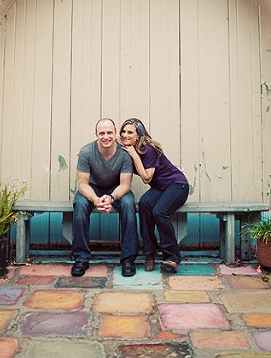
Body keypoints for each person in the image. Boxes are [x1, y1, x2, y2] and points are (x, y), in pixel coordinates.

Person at [119, 118, 189, 273]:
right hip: (160, 188)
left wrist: (135, 156)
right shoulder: (128, 148)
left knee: (159, 211)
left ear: (139, 135)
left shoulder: (147, 149)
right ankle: (150, 253)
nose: (125, 134)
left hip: (177, 185)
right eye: (123, 131)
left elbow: (146, 178)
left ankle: (172, 257)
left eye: (130, 132)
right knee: (144, 204)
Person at [71, 118, 138, 277]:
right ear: (96, 135)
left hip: (116, 188)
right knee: (80, 204)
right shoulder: (86, 152)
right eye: (102, 133)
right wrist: (96, 200)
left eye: (109, 132)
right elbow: (83, 185)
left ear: (115, 134)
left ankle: (128, 259)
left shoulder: (124, 154)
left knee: (129, 203)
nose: (106, 136)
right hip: (92, 188)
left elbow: (125, 185)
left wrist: (110, 197)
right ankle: (81, 258)